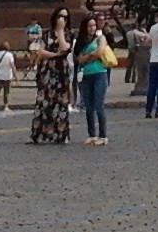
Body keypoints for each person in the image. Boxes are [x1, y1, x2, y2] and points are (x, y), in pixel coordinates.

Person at [29, 8, 74, 145]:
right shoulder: (46, 34)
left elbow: (65, 48)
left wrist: (60, 31)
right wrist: (55, 55)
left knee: (60, 103)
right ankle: (39, 134)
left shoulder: (68, 34)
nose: (62, 20)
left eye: (65, 18)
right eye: (60, 16)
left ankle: (60, 134)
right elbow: (40, 51)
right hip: (47, 71)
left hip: (61, 72)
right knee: (44, 102)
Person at [73, 16, 116, 145]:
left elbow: (100, 51)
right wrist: (92, 55)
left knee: (98, 104)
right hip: (86, 74)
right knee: (88, 106)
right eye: (89, 26)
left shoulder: (100, 38)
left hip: (99, 73)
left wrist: (88, 57)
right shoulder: (81, 41)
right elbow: (78, 59)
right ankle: (92, 134)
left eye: (93, 25)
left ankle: (103, 136)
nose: (92, 28)